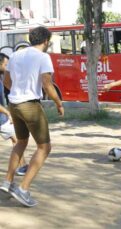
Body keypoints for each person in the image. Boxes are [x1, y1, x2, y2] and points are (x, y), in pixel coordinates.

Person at [0, 26, 64, 207]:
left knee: (20, 142)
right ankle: (23, 188)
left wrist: (17, 92)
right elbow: (47, 84)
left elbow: (6, 80)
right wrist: (59, 103)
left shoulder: (16, 55)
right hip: (30, 105)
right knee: (44, 148)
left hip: (14, 104)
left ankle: (8, 181)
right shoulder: (43, 57)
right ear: (46, 41)